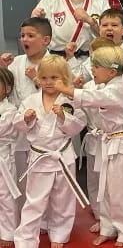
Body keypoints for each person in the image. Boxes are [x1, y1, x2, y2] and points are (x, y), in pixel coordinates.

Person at [53, 46, 123, 247]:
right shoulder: (104, 85)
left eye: (96, 66)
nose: (92, 69)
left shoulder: (119, 88)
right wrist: (68, 90)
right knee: (107, 188)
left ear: (111, 71)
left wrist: (65, 89)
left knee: (122, 190)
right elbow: (88, 96)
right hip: (108, 141)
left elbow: (93, 99)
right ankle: (108, 226)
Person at [13, 55, 87, 248]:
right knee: (34, 201)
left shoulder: (70, 101)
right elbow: (18, 124)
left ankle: (59, 235)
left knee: (63, 199)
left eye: (54, 78)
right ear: (38, 78)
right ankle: (26, 240)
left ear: (65, 78)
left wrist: (64, 117)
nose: (48, 82)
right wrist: (26, 118)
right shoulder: (31, 100)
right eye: (44, 78)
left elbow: (78, 125)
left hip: (63, 155)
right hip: (40, 157)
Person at [0, 17, 52, 208]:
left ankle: (46, 220)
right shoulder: (15, 63)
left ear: (45, 40)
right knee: (20, 175)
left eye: (31, 35)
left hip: (46, 130)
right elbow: (4, 89)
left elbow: (60, 93)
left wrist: (37, 79)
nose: (25, 40)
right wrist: (2, 68)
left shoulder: (55, 62)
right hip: (20, 129)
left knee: (44, 179)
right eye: (22, 36)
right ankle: (23, 216)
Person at [74, 37, 117, 234]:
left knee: (112, 184)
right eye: (93, 57)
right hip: (93, 138)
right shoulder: (88, 87)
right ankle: (101, 216)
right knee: (94, 180)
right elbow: (81, 114)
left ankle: (116, 219)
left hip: (114, 138)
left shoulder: (118, 85)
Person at [0, 68, 20, 247]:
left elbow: (3, 130)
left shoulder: (10, 109)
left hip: (3, 158)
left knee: (5, 196)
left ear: (7, 89)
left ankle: (8, 232)